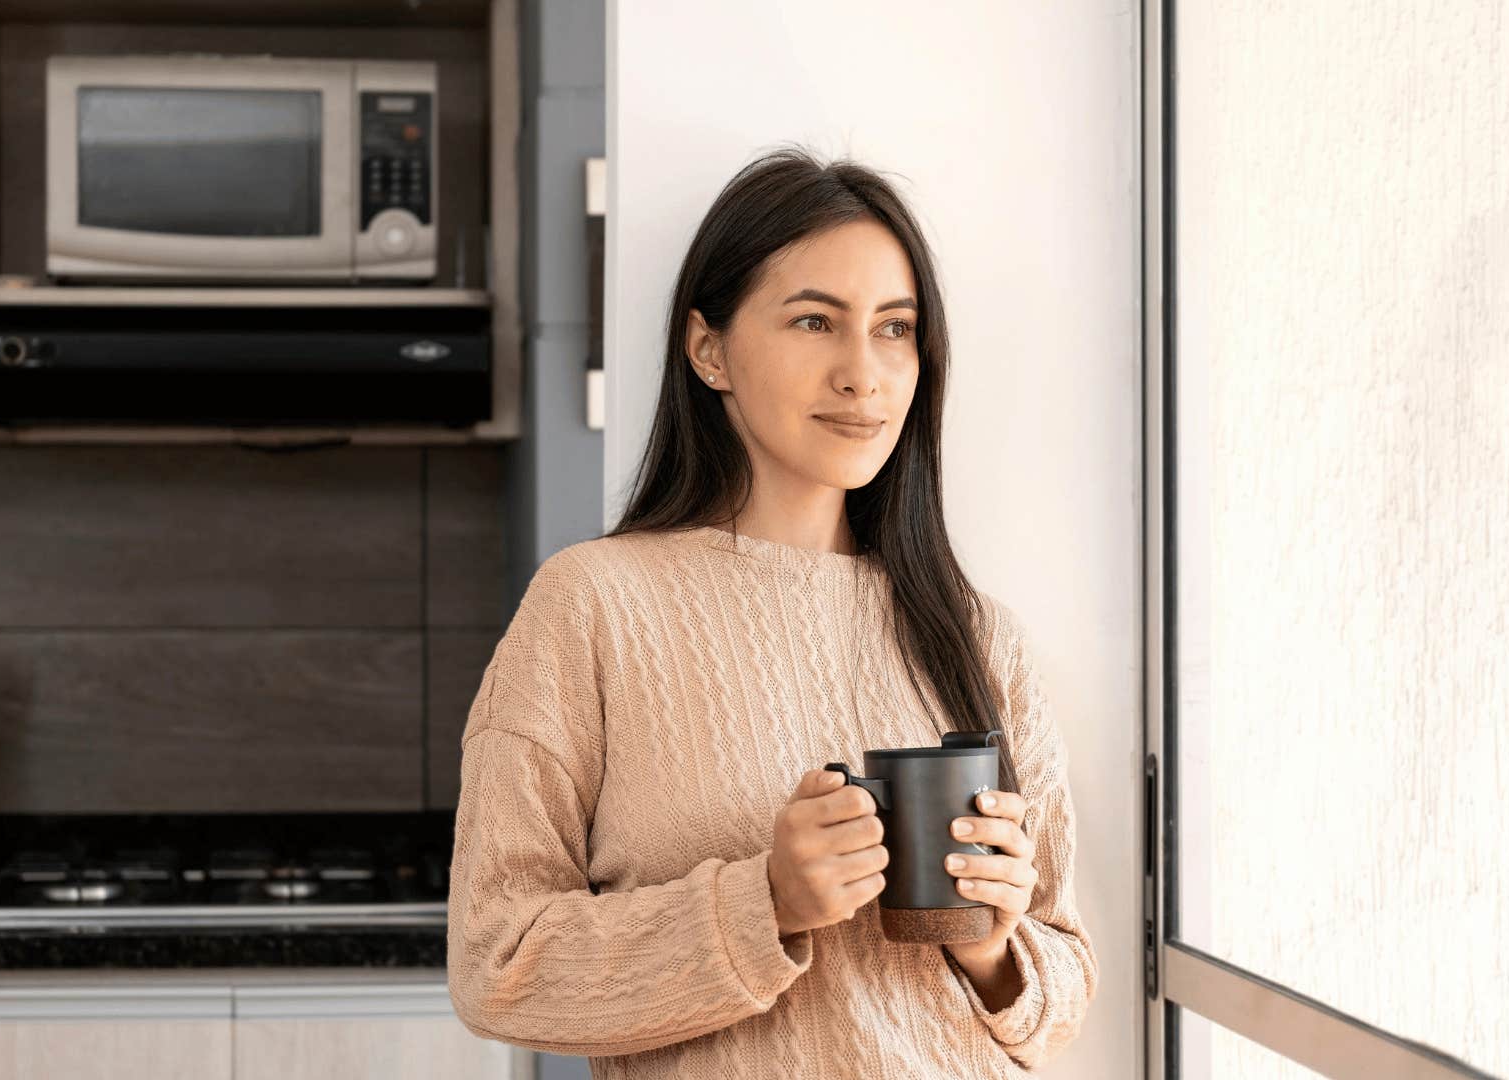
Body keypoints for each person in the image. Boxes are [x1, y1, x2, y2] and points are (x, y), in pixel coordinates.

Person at [446, 146, 1098, 1079]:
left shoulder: (981, 636)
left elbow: (1061, 985)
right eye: (813, 321)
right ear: (708, 349)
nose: (863, 375)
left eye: (895, 328)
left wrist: (993, 952)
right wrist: (764, 905)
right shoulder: (593, 607)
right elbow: (495, 967)